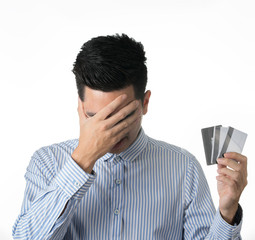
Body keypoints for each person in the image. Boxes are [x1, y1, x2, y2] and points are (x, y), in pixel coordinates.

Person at [12, 34, 247, 239]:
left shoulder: (184, 168)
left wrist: (227, 213)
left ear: (145, 103)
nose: (110, 132)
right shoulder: (47, 162)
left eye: (121, 117)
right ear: (80, 107)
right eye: (96, 117)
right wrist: (82, 161)